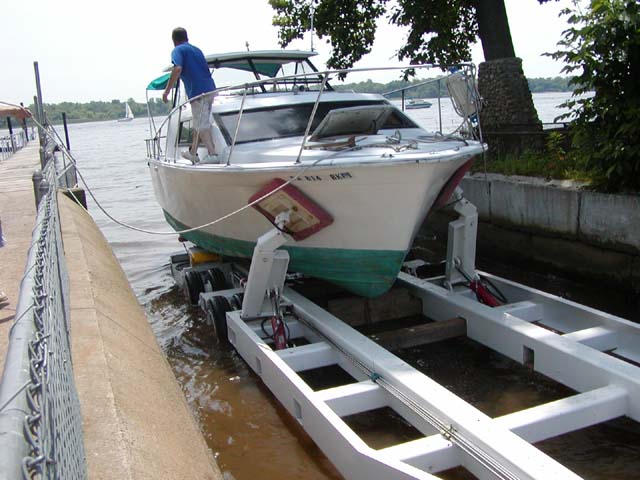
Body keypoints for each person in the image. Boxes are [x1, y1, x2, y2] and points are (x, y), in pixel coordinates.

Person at [162, 27, 217, 163]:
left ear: (174, 40)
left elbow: (178, 68)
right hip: (211, 89)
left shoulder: (178, 50)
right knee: (200, 123)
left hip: (198, 92)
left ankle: (213, 154)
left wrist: (167, 91)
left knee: (201, 125)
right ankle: (193, 152)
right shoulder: (197, 50)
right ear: (187, 37)